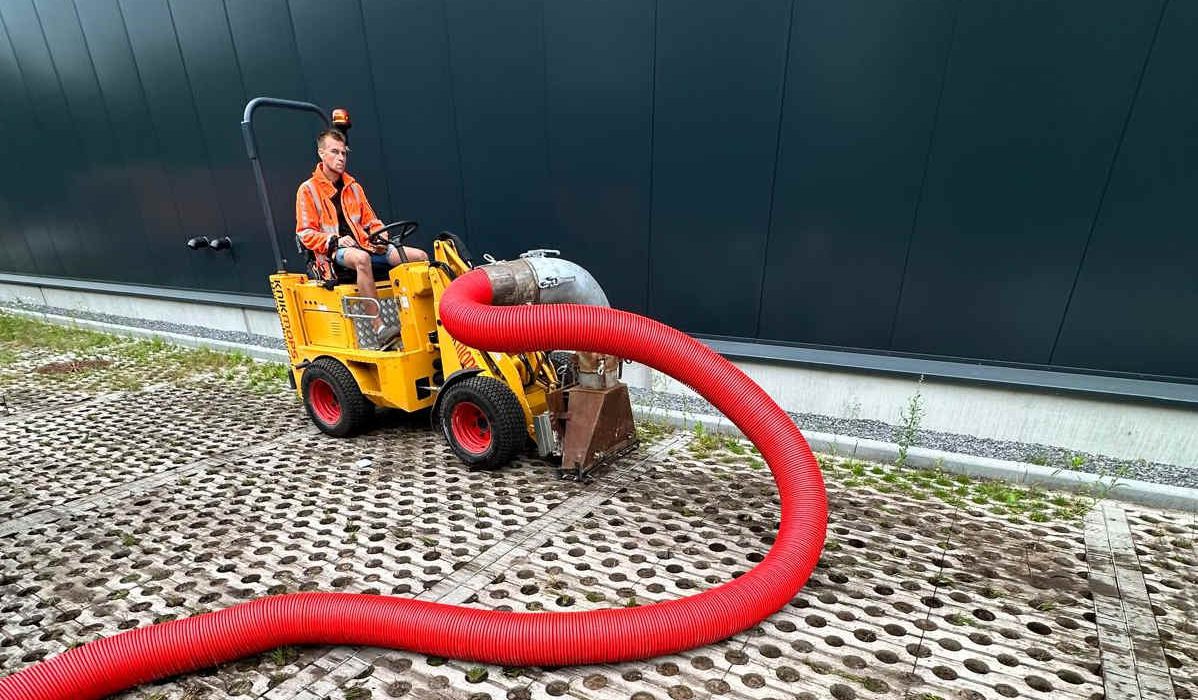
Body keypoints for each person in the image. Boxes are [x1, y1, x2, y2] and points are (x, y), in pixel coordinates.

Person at [295, 128, 427, 345]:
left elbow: (371, 221)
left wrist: (381, 236)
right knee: (361, 259)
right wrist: (334, 240)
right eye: (334, 152)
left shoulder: (354, 187)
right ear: (321, 153)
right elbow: (305, 234)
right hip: (333, 254)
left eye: (343, 153)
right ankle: (379, 327)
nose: (340, 158)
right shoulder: (308, 190)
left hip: (366, 245)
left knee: (417, 256)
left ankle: (418, 320)